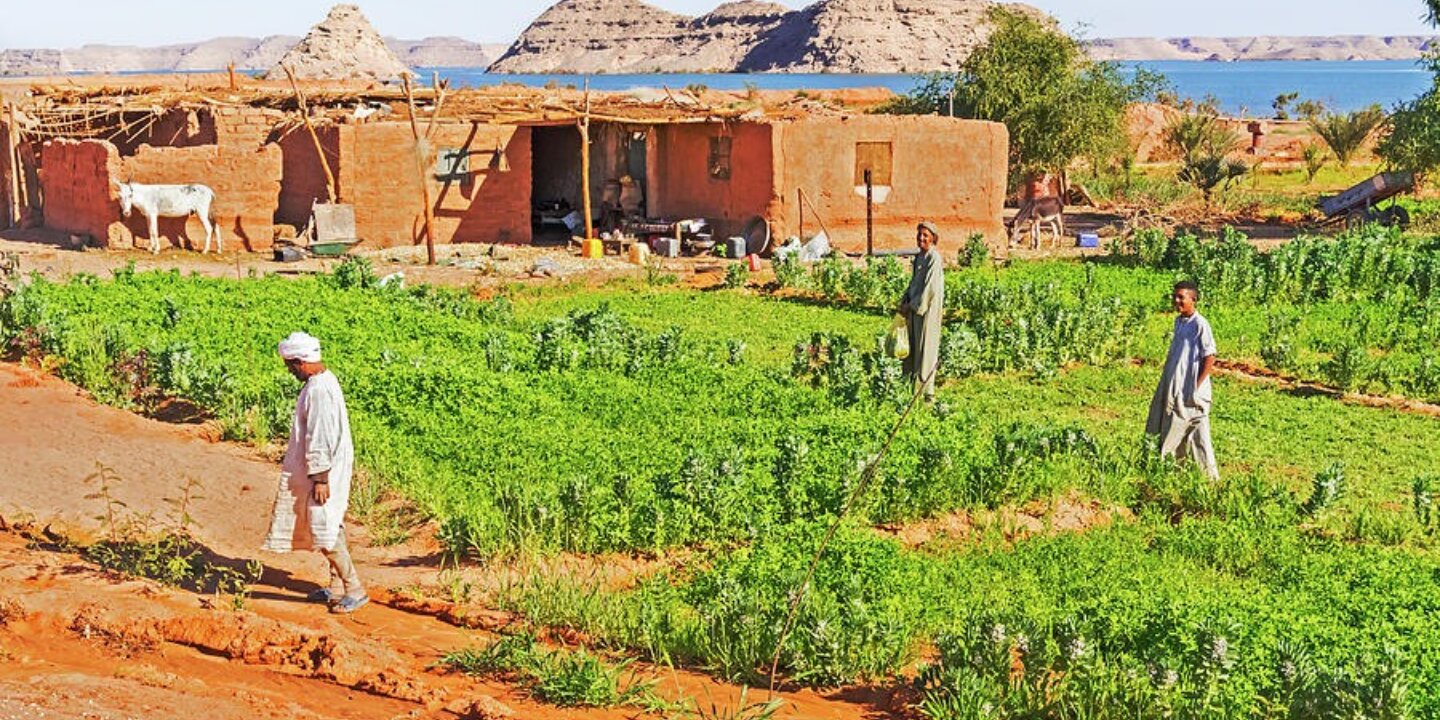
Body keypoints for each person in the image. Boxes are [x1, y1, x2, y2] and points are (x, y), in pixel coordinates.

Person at [263, 332, 367, 614]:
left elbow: (319, 436)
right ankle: (335, 588)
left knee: (324, 525)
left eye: (290, 366)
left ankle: (354, 589)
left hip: (324, 472)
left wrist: (320, 478)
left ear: (299, 362)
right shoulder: (322, 381)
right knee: (330, 524)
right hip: (326, 467)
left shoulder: (319, 390)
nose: (290, 372)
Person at [1146, 280, 1219, 479]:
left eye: (1181, 297)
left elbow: (1210, 355)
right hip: (1176, 387)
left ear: (1193, 300)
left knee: (1187, 431)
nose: (1177, 301)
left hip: (1191, 393)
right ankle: (1180, 473)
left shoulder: (1200, 324)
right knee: (1190, 433)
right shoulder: (1179, 321)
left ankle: (1170, 472)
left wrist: (1196, 385)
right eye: (1175, 296)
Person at [899, 221, 945, 402]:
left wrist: (915, 305)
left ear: (933, 238)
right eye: (919, 235)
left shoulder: (934, 258)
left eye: (925, 235)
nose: (921, 238)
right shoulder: (919, 257)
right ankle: (912, 381)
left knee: (927, 346)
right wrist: (905, 299)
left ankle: (927, 391)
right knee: (914, 345)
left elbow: (930, 288)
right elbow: (914, 283)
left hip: (927, 309)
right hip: (916, 308)